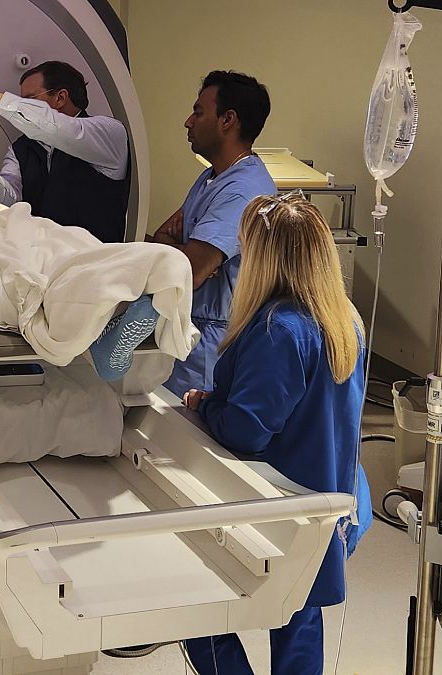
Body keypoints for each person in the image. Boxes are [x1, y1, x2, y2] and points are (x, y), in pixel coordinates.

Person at [180, 193, 372, 674]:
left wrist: (206, 406)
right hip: (330, 498)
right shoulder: (344, 319)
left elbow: (248, 431)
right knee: (299, 620)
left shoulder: (279, 329)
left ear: (263, 259)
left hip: (278, 508)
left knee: (201, 611)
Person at [152, 71, 276, 397]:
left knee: (192, 437)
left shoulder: (242, 190)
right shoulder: (212, 178)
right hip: (189, 328)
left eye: (198, 112)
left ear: (228, 120)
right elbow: (162, 238)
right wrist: (173, 246)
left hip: (212, 342)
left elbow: (190, 270)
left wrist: (179, 250)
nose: (188, 122)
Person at [0, 59, 130, 243]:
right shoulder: (21, 149)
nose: (23, 108)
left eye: (29, 101)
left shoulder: (109, 133)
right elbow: (6, 205)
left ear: (60, 97)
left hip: (96, 258)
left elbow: (57, 127)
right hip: (40, 260)